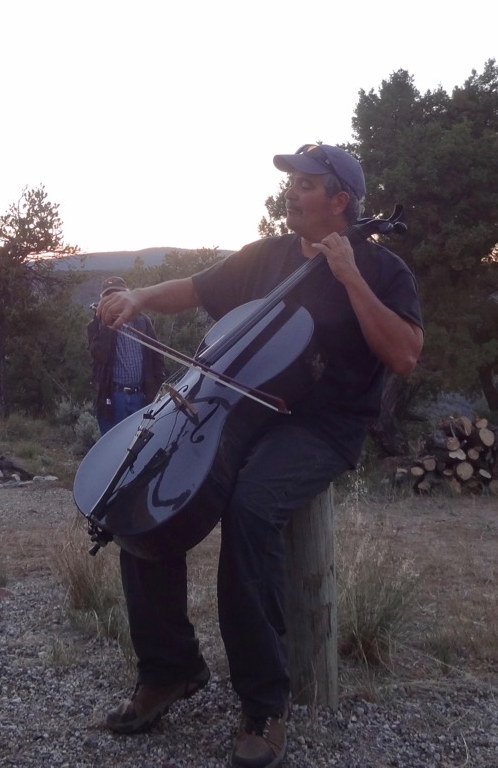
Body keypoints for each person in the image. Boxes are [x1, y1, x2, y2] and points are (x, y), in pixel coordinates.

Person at [94, 144, 422, 768]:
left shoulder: (382, 269)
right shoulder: (267, 256)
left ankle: (265, 702)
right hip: (242, 409)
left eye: (305, 184)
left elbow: (404, 354)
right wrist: (137, 296)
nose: (291, 193)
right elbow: (191, 288)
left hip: (322, 425)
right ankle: (169, 668)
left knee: (250, 510)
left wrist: (350, 275)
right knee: (147, 495)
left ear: (340, 200)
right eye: (291, 183)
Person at [87, 276, 165, 434]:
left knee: (139, 446)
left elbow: (157, 356)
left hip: (141, 396)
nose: (114, 300)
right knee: (114, 447)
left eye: (118, 295)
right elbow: (99, 355)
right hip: (114, 397)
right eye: (109, 296)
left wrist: (156, 388)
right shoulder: (96, 325)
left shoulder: (142, 321)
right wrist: (107, 326)